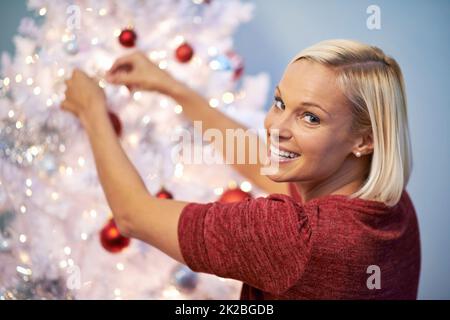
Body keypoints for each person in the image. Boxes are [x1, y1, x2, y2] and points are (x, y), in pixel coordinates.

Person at [61, 39, 421, 299]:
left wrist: (93, 111)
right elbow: (259, 164)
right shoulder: (388, 203)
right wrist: (176, 90)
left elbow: (133, 215)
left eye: (310, 117)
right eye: (280, 102)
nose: (276, 127)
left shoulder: (297, 238)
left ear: (364, 140)